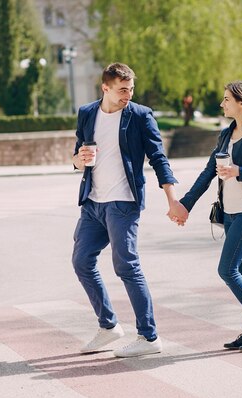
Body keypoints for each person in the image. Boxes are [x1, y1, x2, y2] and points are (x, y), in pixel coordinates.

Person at [72, 62, 188, 358]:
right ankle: (109, 325)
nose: (128, 94)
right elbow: (78, 156)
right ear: (106, 88)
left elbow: (159, 159)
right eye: (123, 89)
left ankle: (149, 337)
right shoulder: (87, 113)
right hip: (93, 203)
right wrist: (77, 160)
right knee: (82, 260)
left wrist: (172, 200)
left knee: (126, 266)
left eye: (131, 89)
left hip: (123, 203)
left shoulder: (139, 116)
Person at [172, 81, 242, 351]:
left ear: (241, 103)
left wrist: (239, 171)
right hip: (230, 212)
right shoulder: (225, 135)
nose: (222, 104)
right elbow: (207, 172)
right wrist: (185, 204)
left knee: (227, 269)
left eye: (226, 100)